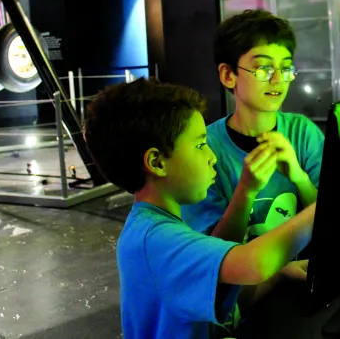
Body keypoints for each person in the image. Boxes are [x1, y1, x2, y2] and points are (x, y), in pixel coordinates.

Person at [82, 78, 315, 339]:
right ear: (157, 162)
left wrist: (279, 275)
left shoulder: (159, 224)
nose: (212, 157)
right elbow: (254, 264)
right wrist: (322, 206)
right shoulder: (154, 240)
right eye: (200, 145)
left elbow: (221, 293)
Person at [182, 10, 324, 243]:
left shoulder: (303, 133)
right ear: (229, 75)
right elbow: (212, 251)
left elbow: (334, 221)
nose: (278, 79)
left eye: (286, 68)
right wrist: (245, 192)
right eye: (264, 69)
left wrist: (300, 178)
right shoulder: (206, 148)